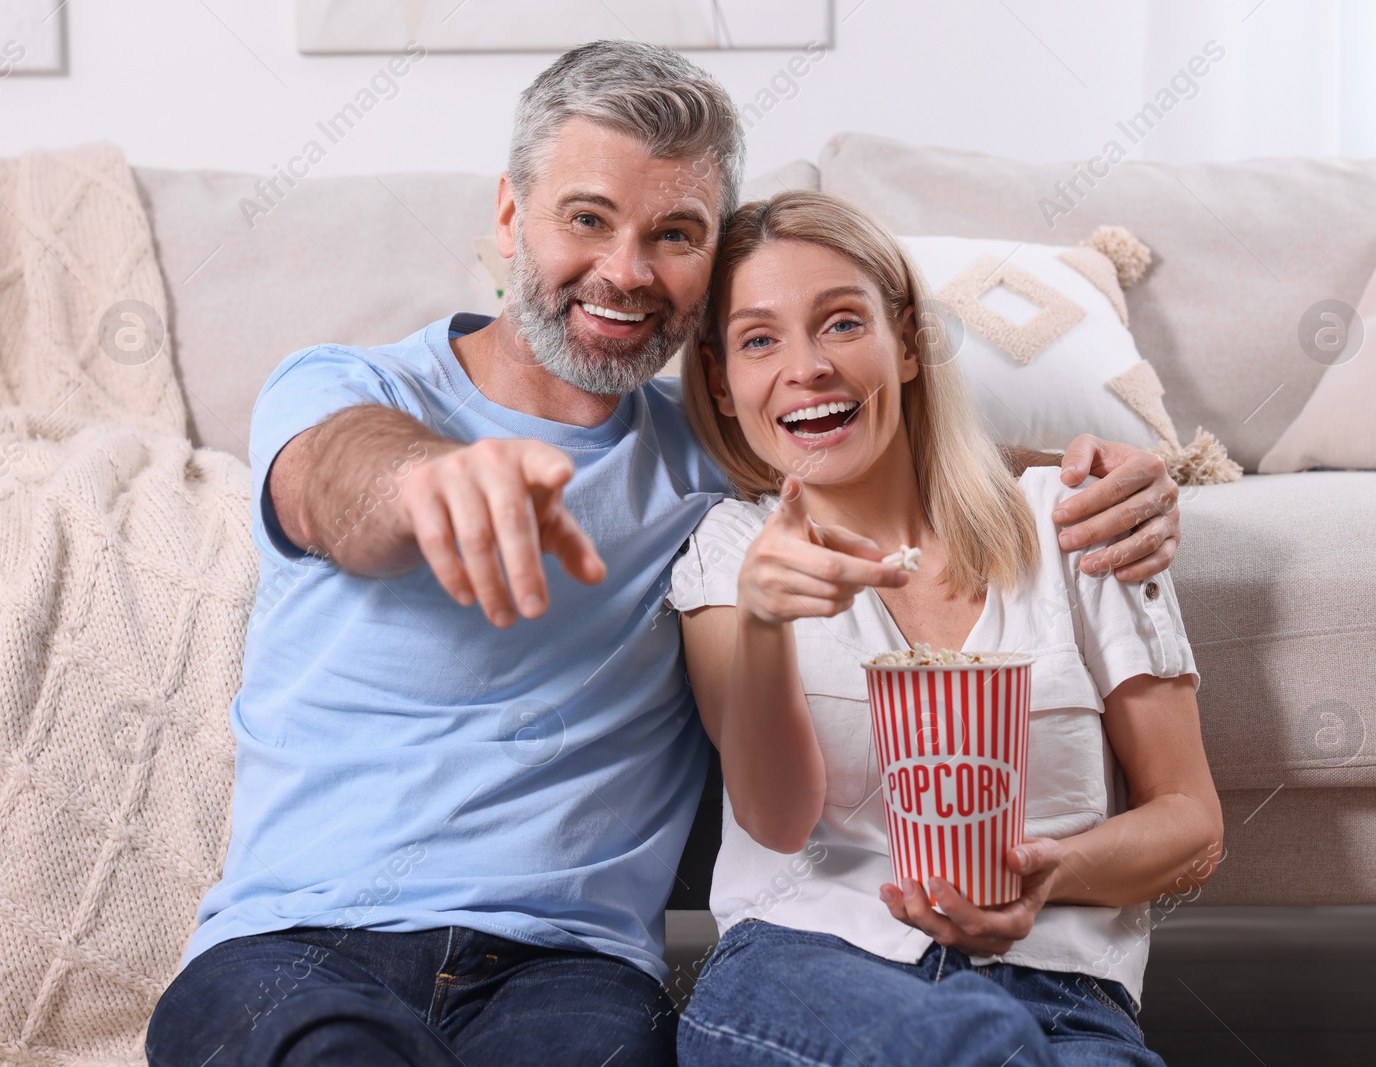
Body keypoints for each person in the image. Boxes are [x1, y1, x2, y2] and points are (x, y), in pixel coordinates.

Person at [146, 41, 1187, 1067]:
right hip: (294, 944)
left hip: (565, 966)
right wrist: (427, 483)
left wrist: (1105, 472)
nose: (626, 270)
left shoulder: (703, 455)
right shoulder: (347, 391)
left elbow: (875, 445)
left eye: (675, 233)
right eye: (587, 219)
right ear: (510, 216)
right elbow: (337, 482)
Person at [668, 190, 1224, 1067]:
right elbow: (774, 820)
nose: (806, 366)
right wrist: (768, 622)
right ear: (722, 386)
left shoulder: (1074, 522)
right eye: (759, 339)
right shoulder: (726, 551)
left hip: (1056, 987)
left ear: (912, 344)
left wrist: (1046, 876)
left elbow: (1192, 823)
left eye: (842, 323)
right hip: (808, 968)